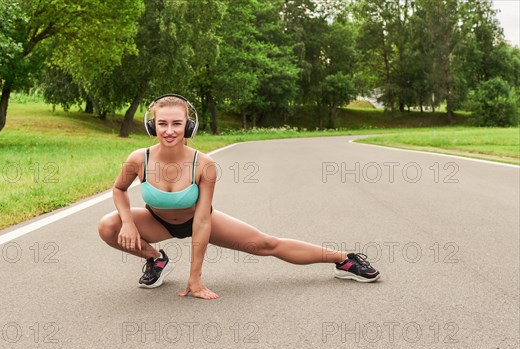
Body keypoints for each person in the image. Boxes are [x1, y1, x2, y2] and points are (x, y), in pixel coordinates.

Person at [98, 94, 380, 300]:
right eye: (162, 124)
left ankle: (344, 259)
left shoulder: (203, 164)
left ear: (189, 126)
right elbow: (119, 189)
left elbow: (202, 222)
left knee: (266, 244)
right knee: (107, 226)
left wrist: (195, 277)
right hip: (157, 220)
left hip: (199, 218)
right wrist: (128, 221)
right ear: (152, 126)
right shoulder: (139, 159)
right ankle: (157, 259)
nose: (169, 130)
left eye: (176, 123)